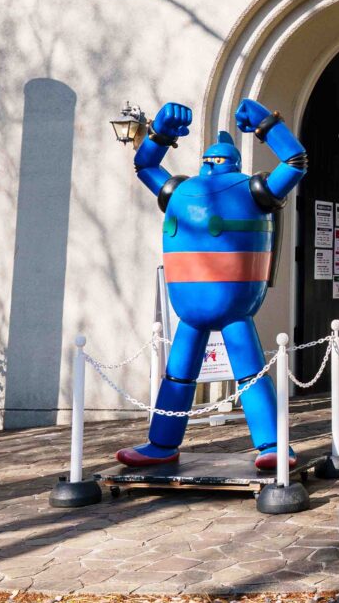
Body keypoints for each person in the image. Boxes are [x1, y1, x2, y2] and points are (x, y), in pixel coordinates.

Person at [115, 98, 307, 467]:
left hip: (229, 303)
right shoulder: (195, 189)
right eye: (209, 160)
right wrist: (160, 133)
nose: (211, 165)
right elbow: (294, 161)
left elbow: (295, 163)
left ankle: (273, 444)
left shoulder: (247, 189)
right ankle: (162, 443)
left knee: (242, 374)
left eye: (215, 160)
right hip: (193, 304)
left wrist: (267, 123)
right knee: (184, 375)